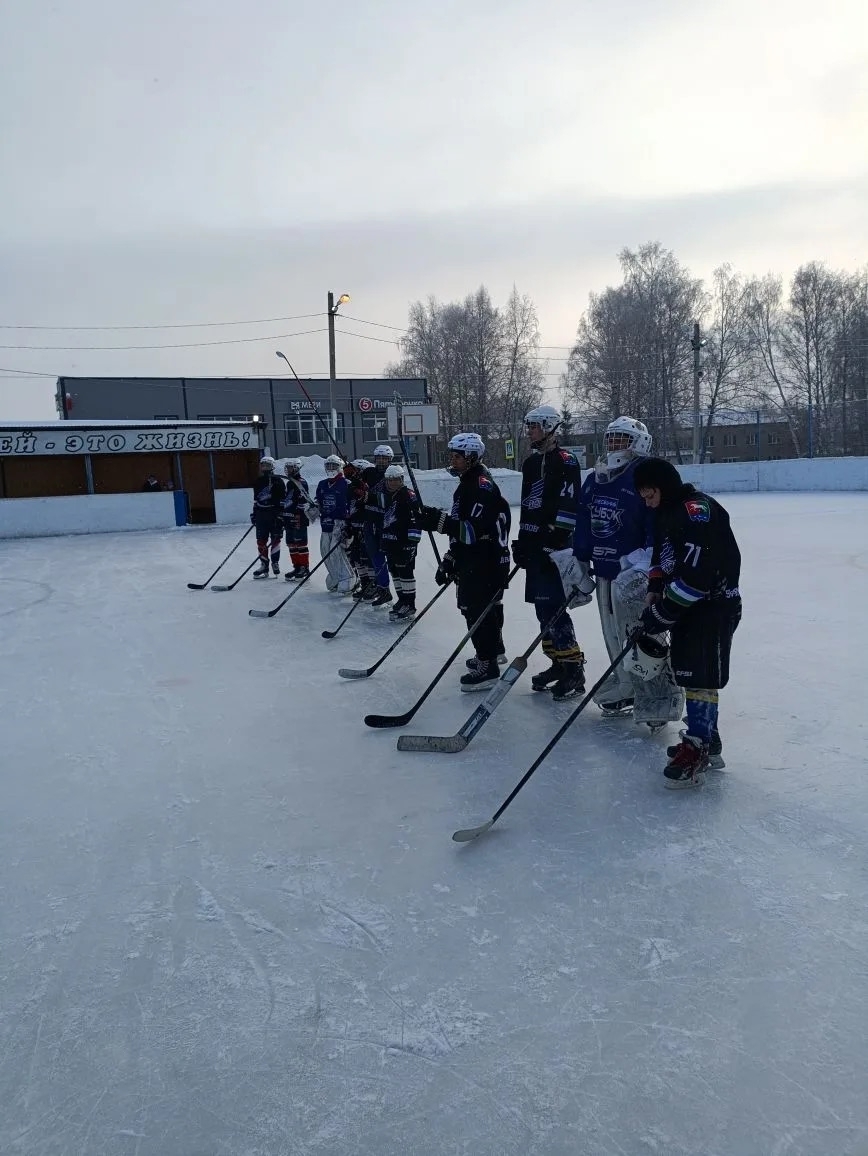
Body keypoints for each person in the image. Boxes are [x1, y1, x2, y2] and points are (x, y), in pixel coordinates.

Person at [633, 457, 742, 787]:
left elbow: (697, 578)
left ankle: (699, 747)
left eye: (649, 494)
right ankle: (707, 737)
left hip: (712, 607)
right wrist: (655, 587)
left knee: (700, 680)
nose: (646, 502)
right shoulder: (668, 511)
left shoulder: (697, 513)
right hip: (688, 608)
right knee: (692, 675)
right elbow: (661, 555)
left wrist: (661, 613)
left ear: (662, 488)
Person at [574, 416, 684, 729]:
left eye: (621, 439)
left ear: (639, 443)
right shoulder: (597, 477)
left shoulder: (644, 475)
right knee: (612, 632)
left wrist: (646, 562)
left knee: (643, 634)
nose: (614, 445)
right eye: (610, 438)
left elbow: (658, 521)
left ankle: (658, 694)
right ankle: (625, 685)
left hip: (637, 574)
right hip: (606, 570)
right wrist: (580, 559)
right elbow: (585, 519)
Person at [419, 432, 511, 690]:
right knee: (481, 609)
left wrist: (439, 522)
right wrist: (450, 559)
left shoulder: (480, 485)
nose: (453, 460)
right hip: (477, 558)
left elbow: (472, 531)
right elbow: (463, 532)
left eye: (457, 456)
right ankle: (493, 651)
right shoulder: (468, 483)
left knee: (477, 610)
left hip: (486, 560)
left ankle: (488, 665)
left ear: (471, 457)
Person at [511, 405, 587, 700]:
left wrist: (550, 542)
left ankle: (574, 669)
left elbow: (569, 509)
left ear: (550, 428)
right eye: (528, 425)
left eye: (534, 426)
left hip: (556, 550)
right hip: (535, 548)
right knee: (542, 608)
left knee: (554, 608)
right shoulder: (531, 463)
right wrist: (522, 542)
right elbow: (528, 506)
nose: (529, 431)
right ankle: (557, 662)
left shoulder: (566, 461)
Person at [380, 463, 422, 620]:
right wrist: (384, 540)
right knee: (394, 571)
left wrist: (412, 543)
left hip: (404, 543)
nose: (392, 482)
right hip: (391, 542)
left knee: (405, 573)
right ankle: (401, 600)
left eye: (395, 479)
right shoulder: (389, 496)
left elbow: (416, 519)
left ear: (402, 479)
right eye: (389, 480)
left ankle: (409, 604)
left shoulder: (408, 495)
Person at [315, 455, 356, 594]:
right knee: (325, 551)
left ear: (340, 468)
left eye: (334, 466)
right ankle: (335, 577)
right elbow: (318, 502)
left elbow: (353, 504)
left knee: (336, 552)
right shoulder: (322, 484)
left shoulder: (347, 484)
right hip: (326, 523)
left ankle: (348, 579)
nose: (331, 469)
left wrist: (350, 524)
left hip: (340, 523)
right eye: (328, 466)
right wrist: (312, 507)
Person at [362, 445, 396, 606]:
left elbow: (389, 499)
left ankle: (396, 591)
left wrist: (369, 497)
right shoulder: (368, 472)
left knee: (388, 557)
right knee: (374, 555)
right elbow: (356, 486)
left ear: (390, 459)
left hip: (385, 522)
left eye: (384, 458)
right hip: (369, 520)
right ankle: (382, 588)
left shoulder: (393, 475)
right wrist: (353, 479)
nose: (381, 460)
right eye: (379, 457)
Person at [251, 456, 286, 578]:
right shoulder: (258, 481)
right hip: (261, 514)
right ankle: (264, 565)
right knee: (261, 541)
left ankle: (275, 563)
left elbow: (283, 500)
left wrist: (281, 515)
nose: (265, 467)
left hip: (274, 514)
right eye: (263, 465)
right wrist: (254, 513)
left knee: (275, 540)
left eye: (268, 465)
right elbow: (256, 499)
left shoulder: (278, 481)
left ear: (272, 466)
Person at [281, 459, 315, 581]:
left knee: (300, 544)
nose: (288, 470)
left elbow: (303, 501)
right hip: (288, 517)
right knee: (291, 544)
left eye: (291, 468)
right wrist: (283, 514)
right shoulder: (289, 483)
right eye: (288, 468)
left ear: (297, 469)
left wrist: (297, 515)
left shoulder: (301, 482)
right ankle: (296, 567)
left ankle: (304, 568)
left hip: (298, 518)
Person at [345, 459, 374, 600]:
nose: (353, 475)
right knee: (356, 558)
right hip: (354, 527)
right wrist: (348, 526)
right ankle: (364, 584)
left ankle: (372, 587)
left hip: (365, 528)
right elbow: (349, 508)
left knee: (366, 559)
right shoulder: (351, 487)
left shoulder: (368, 486)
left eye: (356, 471)